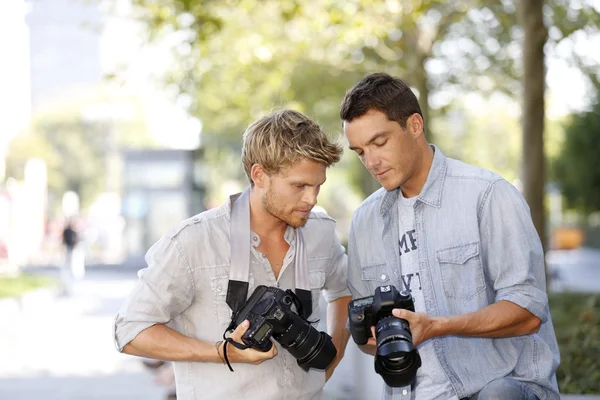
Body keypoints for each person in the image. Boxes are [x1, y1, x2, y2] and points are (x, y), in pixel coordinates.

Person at [340, 73, 560, 400]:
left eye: (379, 142)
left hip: (500, 389)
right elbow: (366, 338)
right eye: (360, 152)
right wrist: (368, 336)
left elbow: (527, 313)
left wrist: (438, 326)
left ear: (414, 126)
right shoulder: (364, 221)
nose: (371, 162)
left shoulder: (488, 195)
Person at [114, 109, 352, 399]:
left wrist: (330, 360)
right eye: (299, 186)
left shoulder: (321, 232)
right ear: (259, 175)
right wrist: (222, 352)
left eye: (318, 186)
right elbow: (130, 331)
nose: (312, 199)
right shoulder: (193, 241)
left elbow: (343, 292)